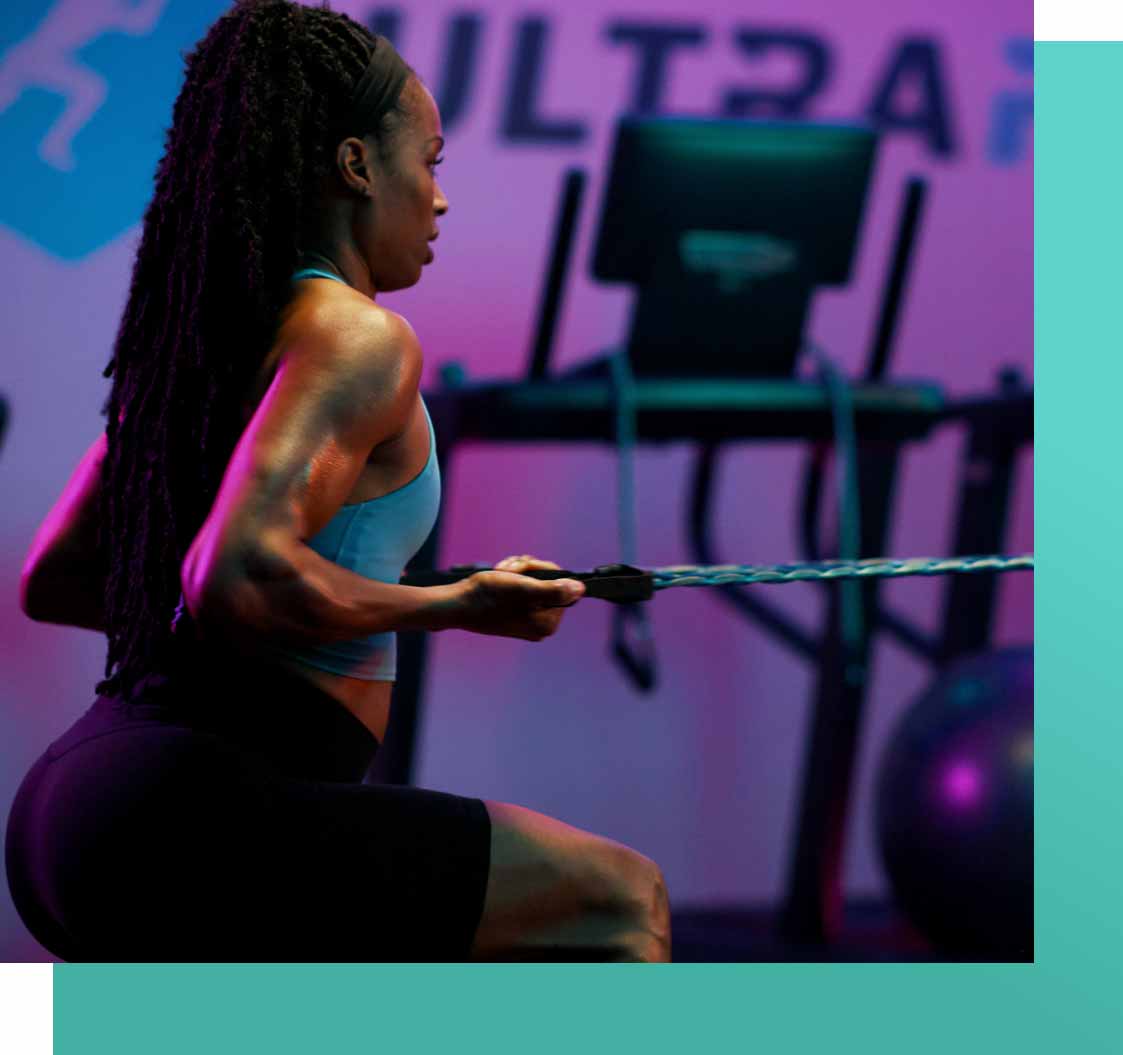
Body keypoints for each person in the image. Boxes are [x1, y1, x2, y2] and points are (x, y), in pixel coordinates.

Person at [6, 0, 670, 963]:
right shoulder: (357, 335)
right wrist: (453, 603)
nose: (439, 199)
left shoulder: (211, 338)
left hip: (79, 810)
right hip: (193, 811)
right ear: (358, 166)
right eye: (430, 162)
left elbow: (61, 578)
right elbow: (237, 573)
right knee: (618, 903)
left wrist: (373, 599)